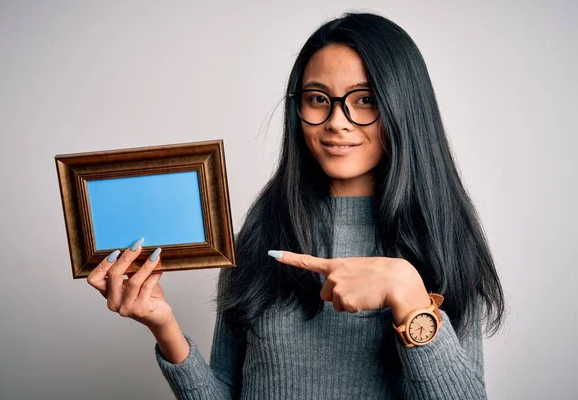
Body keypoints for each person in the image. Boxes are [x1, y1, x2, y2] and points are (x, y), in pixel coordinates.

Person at [87, 11, 506, 399]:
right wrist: (164, 327)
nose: (337, 121)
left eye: (365, 100)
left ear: (403, 107)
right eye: (318, 99)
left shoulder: (441, 236)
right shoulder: (262, 229)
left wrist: (410, 296)